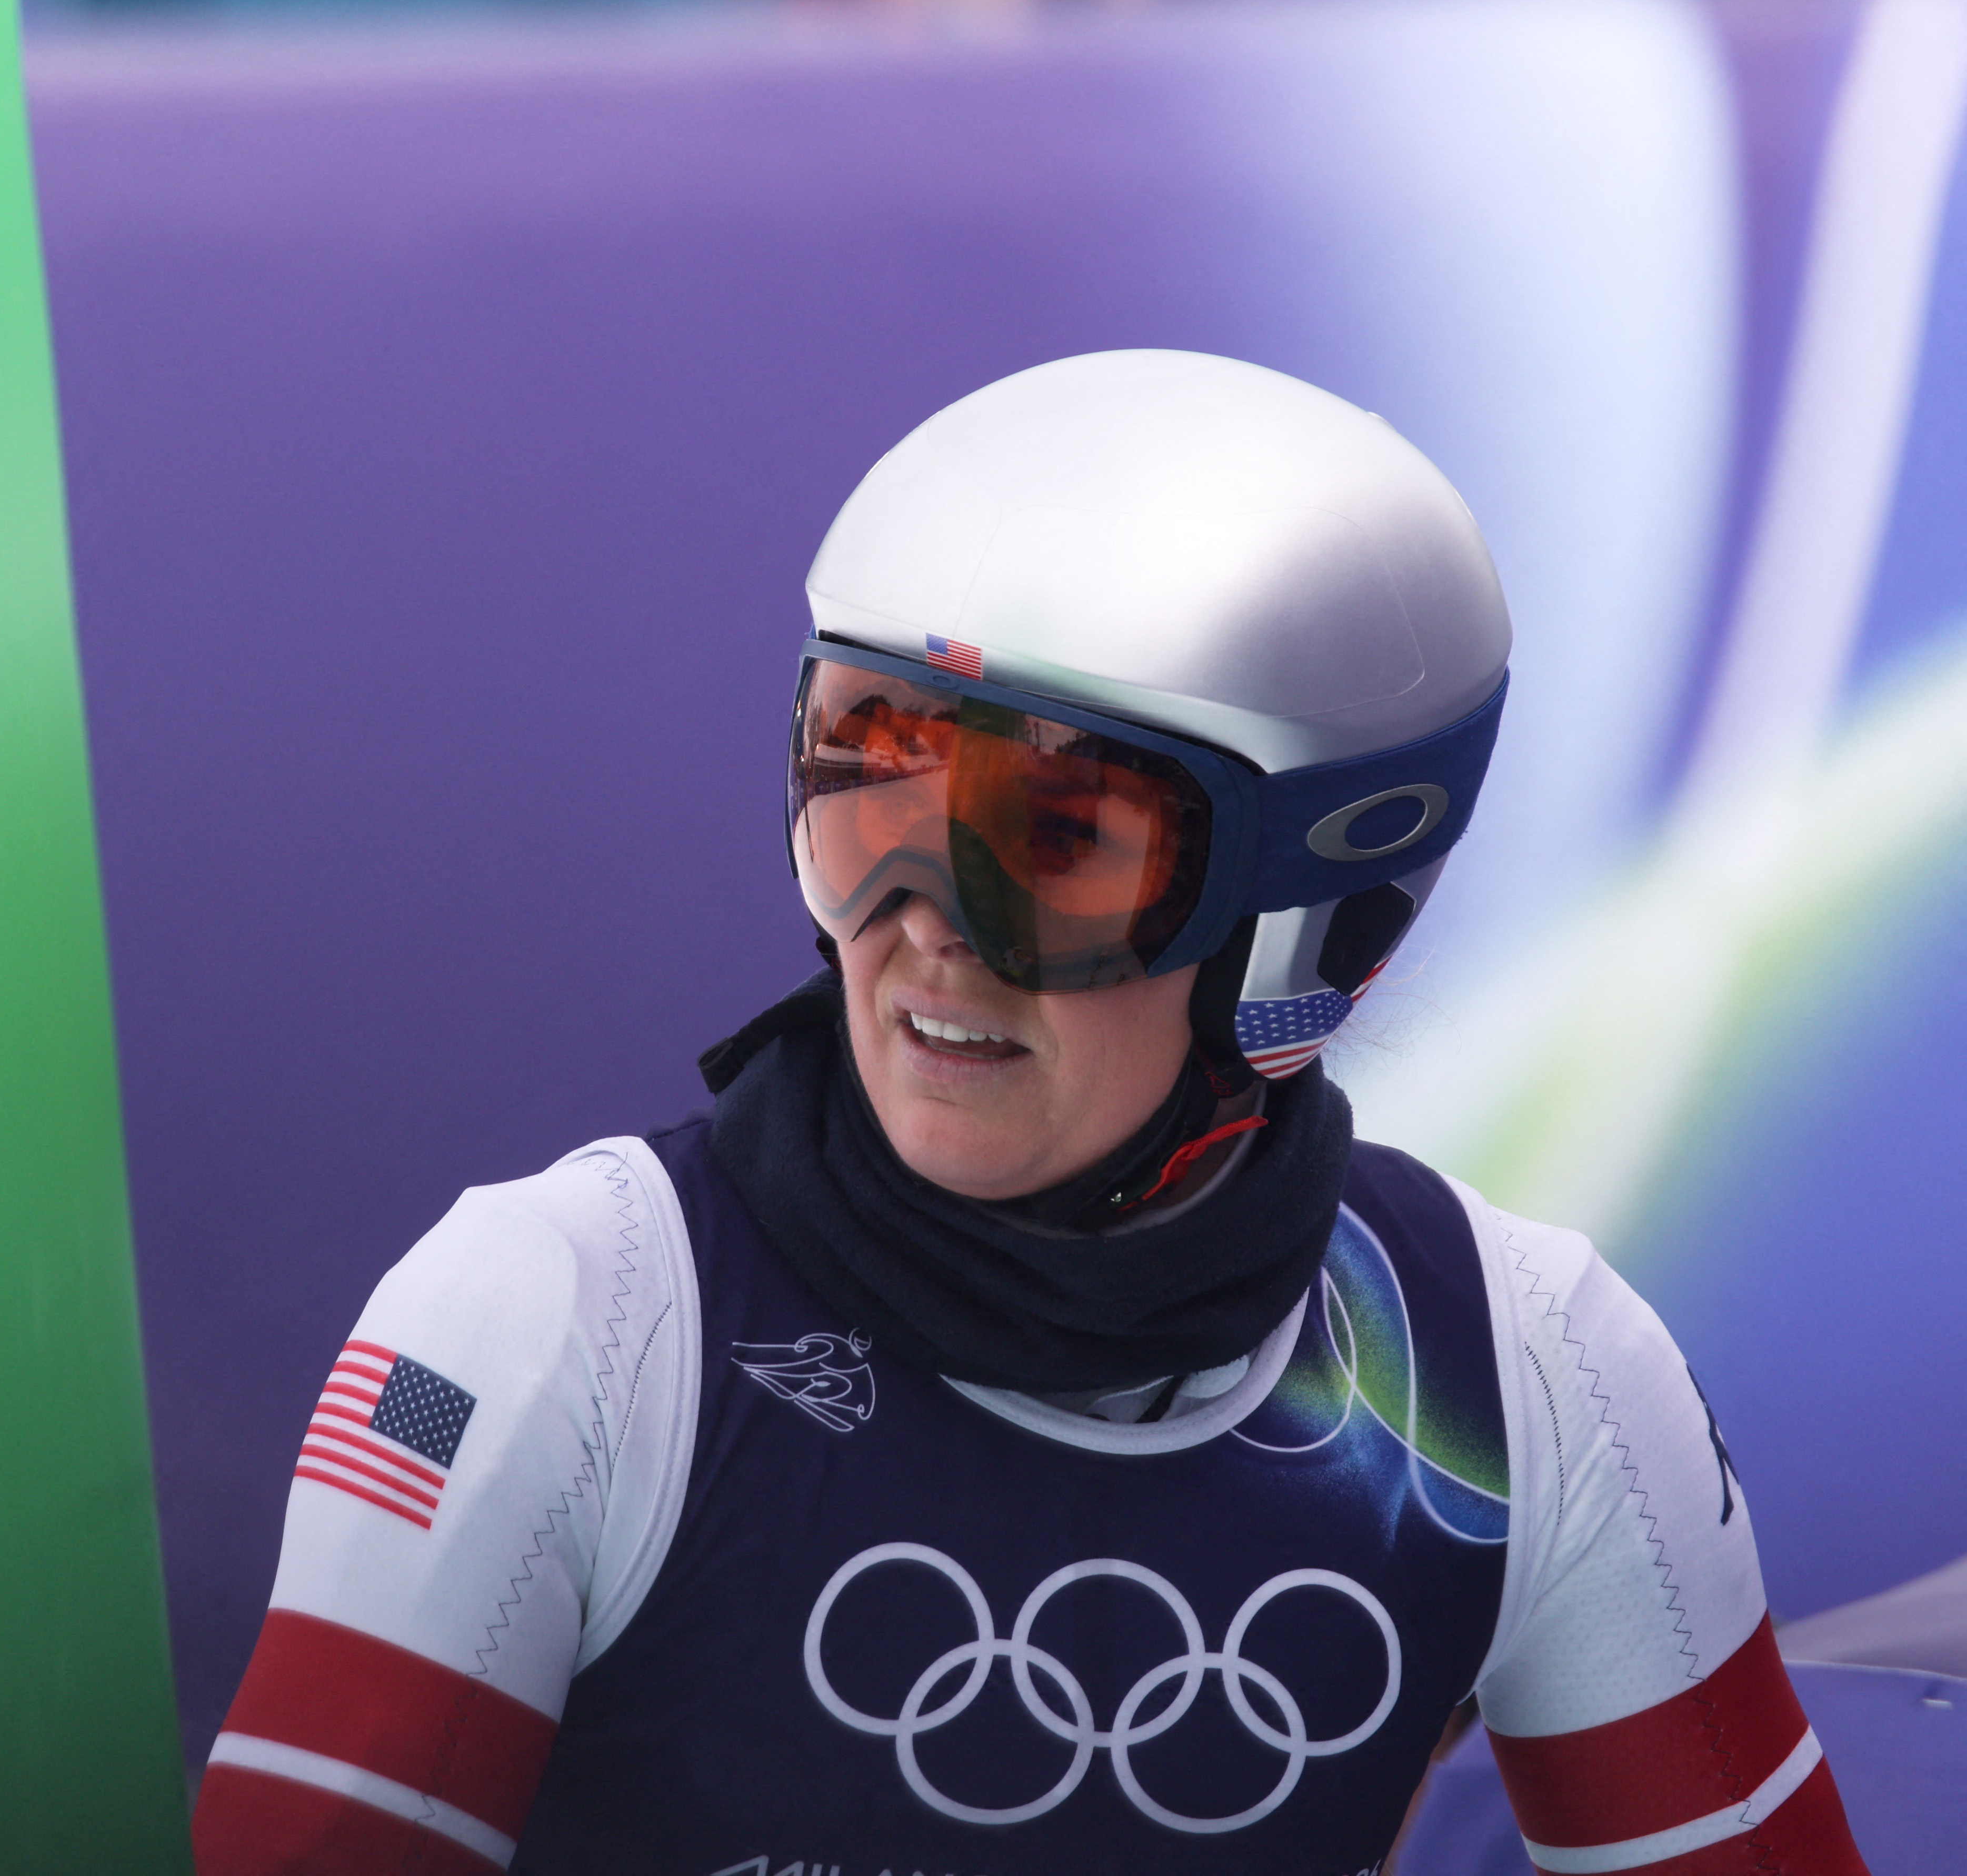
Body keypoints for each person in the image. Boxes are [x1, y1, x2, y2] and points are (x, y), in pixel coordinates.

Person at [189, 351, 1868, 1873]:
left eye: (1056, 845)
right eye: (870, 790)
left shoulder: (1523, 1374)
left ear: (1307, 930)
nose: (923, 926)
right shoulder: (552, 1316)